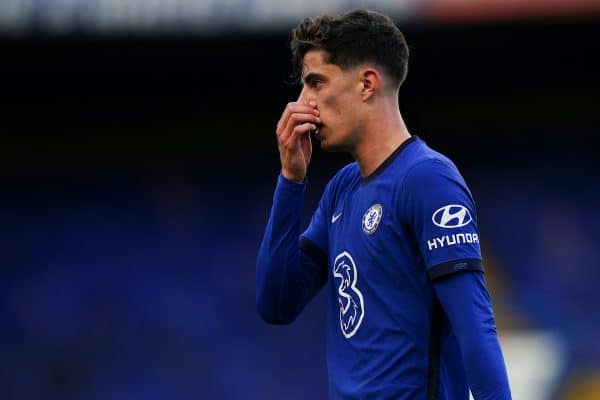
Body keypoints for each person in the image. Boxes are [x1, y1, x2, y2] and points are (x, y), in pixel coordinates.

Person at [256, 9, 512, 400]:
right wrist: (291, 180)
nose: (302, 104)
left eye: (315, 83)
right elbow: (276, 303)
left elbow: (475, 330)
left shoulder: (428, 180)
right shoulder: (341, 190)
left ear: (367, 83)